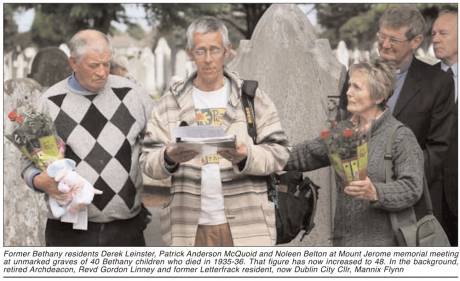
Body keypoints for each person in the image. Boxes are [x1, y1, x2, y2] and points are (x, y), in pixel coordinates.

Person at [141, 16, 289, 246]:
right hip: (189, 229)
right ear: (190, 53)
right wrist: (168, 157)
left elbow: (280, 153)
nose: (208, 60)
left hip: (248, 227)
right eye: (201, 51)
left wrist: (246, 156)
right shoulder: (169, 103)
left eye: (215, 50)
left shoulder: (251, 98)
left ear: (227, 51)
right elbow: (147, 162)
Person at [21, 29, 153, 246]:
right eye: (94, 65)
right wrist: (39, 181)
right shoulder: (48, 102)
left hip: (126, 229)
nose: (102, 72)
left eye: (107, 64)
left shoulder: (133, 94)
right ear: (73, 63)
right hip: (68, 232)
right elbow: (26, 163)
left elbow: (155, 144)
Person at [287, 59, 424, 246]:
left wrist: (376, 192)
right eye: (349, 85)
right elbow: (304, 155)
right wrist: (253, 155)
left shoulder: (400, 136)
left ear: (378, 96)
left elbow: (413, 188)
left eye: (357, 87)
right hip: (344, 245)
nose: (348, 92)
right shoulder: (342, 132)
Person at [338, 5, 455, 221]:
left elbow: (438, 148)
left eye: (393, 40)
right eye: (381, 36)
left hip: (412, 204)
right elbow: (343, 130)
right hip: (360, 200)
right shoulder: (356, 75)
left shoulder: (438, 82)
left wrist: (395, 183)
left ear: (416, 41)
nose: (384, 45)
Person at [432, 9, 458, 246]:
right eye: (433, 33)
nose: (435, 39)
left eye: (443, 33)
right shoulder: (421, 81)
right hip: (428, 199)